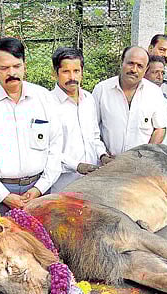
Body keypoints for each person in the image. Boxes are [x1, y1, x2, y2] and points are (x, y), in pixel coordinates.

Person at [0, 37, 63, 214]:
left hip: (39, 191)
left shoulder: (44, 98)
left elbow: (56, 145)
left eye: (17, 66)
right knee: (1, 241)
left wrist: (40, 187)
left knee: (39, 241)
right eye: (4, 68)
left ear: (24, 65)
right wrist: (4, 195)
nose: (11, 73)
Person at [49, 47, 111, 192]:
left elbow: (95, 136)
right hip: (62, 183)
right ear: (55, 73)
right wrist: (77, 166)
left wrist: (102, 155)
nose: (72, 77)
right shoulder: (47, 103)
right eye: (66, 71)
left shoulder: (88, 99)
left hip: (92, 180)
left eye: (76, 71)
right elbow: (47, 149)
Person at [92, 46, 167, 156]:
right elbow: (92, 130)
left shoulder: (154, 93)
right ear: (121, 62)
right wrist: (103, 155)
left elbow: (160, 129)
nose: (133, 69)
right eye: (130, 63)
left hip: (142, 167)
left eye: (139, 66)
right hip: (107, 164)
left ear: (146, 69)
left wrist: (144, 156)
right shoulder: (102, 90)